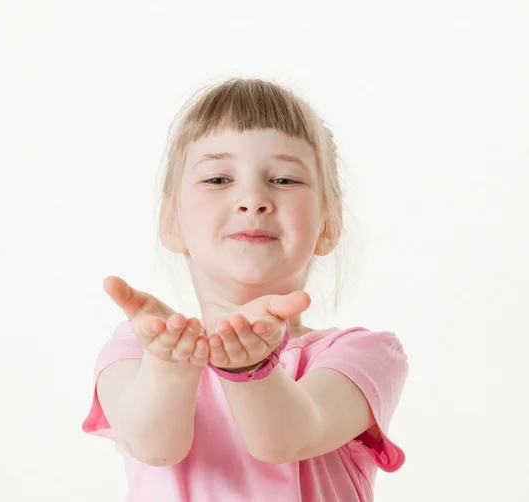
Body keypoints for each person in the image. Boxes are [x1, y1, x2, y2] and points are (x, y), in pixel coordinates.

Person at [82, 78, 409, 502]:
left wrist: (248, 369)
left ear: (328, 226)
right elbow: (153, 446)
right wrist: (171, 365)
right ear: (171, 223)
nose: (252, 199)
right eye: (218, 179)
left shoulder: (361, 355)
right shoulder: (138, 348)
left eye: (285, 180)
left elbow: (287, 438)